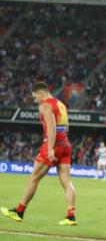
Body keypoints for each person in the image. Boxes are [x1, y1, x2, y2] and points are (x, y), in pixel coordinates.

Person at [1, 82, 77, 225]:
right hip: (66, 144)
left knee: (34, 177)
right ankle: (71, 215)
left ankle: (19, 211)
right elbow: (66, 126)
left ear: (41, 94)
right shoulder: (61, 104)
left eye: (35, 97)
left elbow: (52, 126)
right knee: (67, 182)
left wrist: (50, 148)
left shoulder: (45, 105)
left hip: (53, 144)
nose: (35, 101)